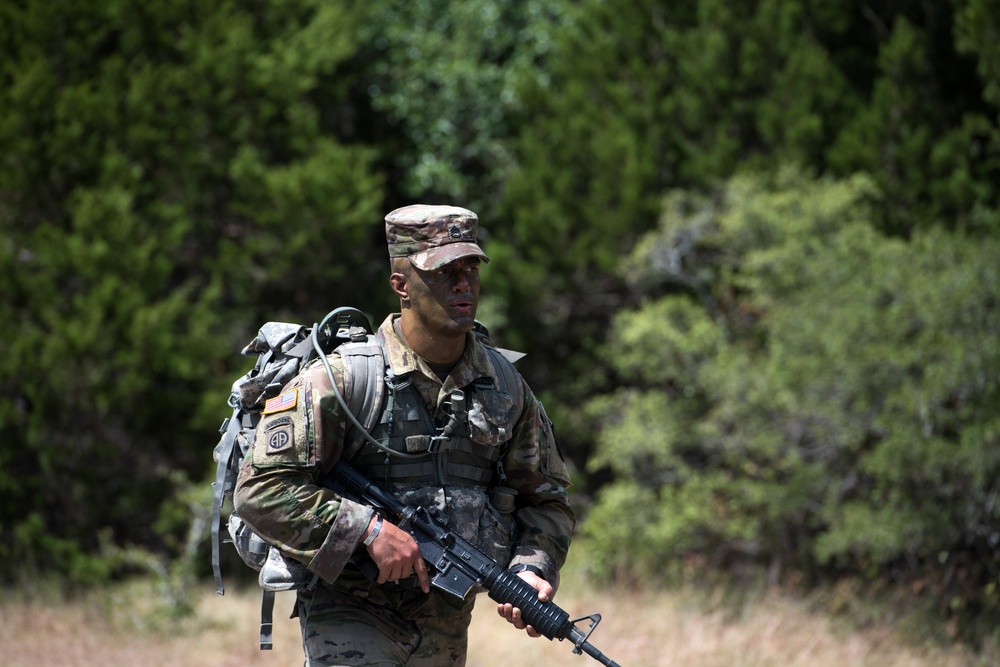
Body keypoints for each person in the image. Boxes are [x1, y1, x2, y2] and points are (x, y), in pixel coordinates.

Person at [234, 204, 576, 666]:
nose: (462, 284)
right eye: (443, 271)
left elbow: (546, 500)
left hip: (446, 621)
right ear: (401, 286)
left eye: (470, 268)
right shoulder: (343, 380)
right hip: (351, 606)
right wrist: (366, 531)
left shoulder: (505, 386)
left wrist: (531, 568)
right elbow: (259, 490)